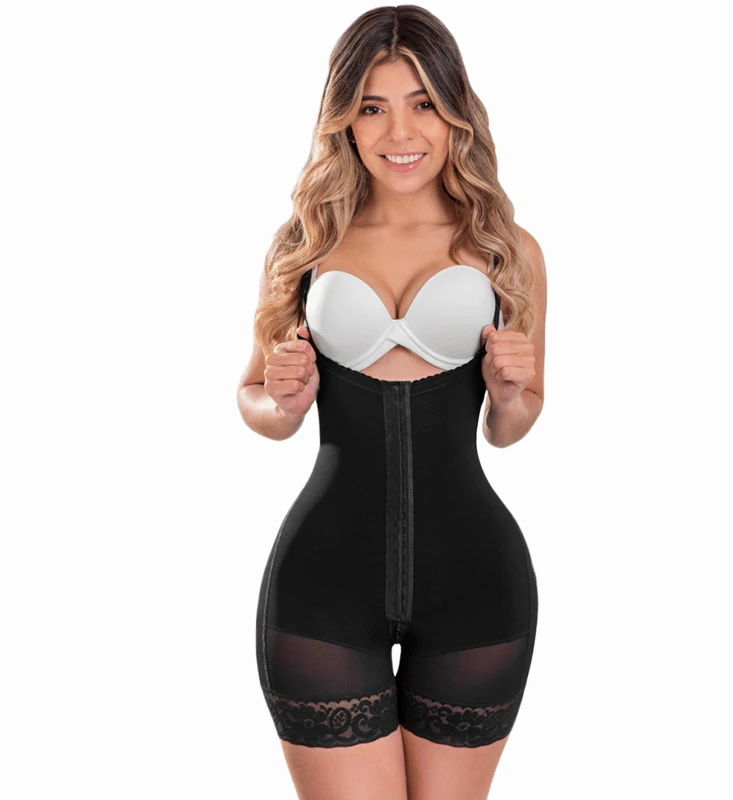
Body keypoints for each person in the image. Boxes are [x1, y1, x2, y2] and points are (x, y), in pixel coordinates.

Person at [236, 6, 547, 799]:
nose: (399, 132)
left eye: (423, 104)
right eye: (372, 106)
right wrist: (281, 401)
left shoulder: (508, 249)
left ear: (455, 113)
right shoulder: (305, 243)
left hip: (477, 581)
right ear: (344, 117)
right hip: (322, 586)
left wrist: (511, 392)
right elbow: (255, 401)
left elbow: (512, 426)